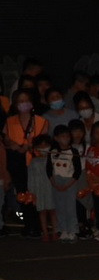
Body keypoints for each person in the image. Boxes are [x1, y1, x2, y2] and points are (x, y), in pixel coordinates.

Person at [5, 89, 50, 236]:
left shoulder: (40, 121)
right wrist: (12, 144)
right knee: (22, 193)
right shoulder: (10, 121)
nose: (23, 104)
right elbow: (5, 138)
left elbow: (44, 141)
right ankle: (28, 224)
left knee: (36, 193)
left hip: (35, 162)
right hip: (17, 161)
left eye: (26, 100)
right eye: (20, 101)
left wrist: (28, 145)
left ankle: (38, 226)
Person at [47, 125, 82, 241]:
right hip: (56, 181)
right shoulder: (52, 152)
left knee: (70, 208)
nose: (65, 139)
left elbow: (77, 171)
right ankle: (63, 230)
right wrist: (54, 183)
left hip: (70, 182)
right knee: (60, 207)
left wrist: (68, 185)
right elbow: (48, 170)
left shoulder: (74, 151)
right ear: (56, 138)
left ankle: (73, 230)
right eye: (62, 136)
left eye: (67, 136)